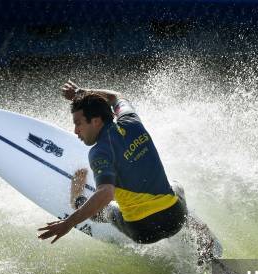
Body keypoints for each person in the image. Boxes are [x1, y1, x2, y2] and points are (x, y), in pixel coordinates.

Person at [37, 80, 191, 245]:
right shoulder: (132, 121)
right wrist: (81, 91)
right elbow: (116, 96)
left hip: (142, 230)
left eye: (78, 124)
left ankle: (78, 201)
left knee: (108, 210)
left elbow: (105, 193)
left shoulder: (99, 152)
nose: (76, 131)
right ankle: (196, 230)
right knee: (176, 186)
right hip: (175, 218)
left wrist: (68, 223)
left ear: (96, 121)